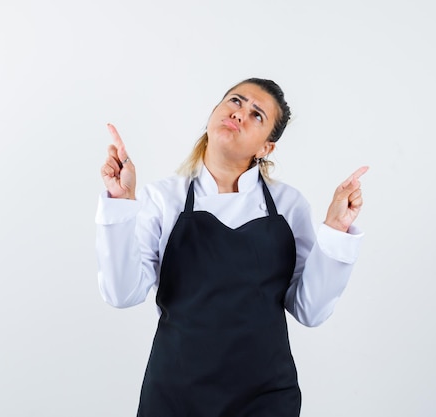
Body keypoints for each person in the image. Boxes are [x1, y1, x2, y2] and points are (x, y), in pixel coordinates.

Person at [96, 77, 367, 417]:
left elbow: (310, 310)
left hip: (266, 398)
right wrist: (120, 203)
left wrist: (337, 229)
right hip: (175, 395)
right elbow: (122, 294)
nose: (240, 113)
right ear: (214, 112)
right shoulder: (164, 198)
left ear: (266, 147)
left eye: (257, 115)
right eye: (236, 101)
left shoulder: (288, 205)